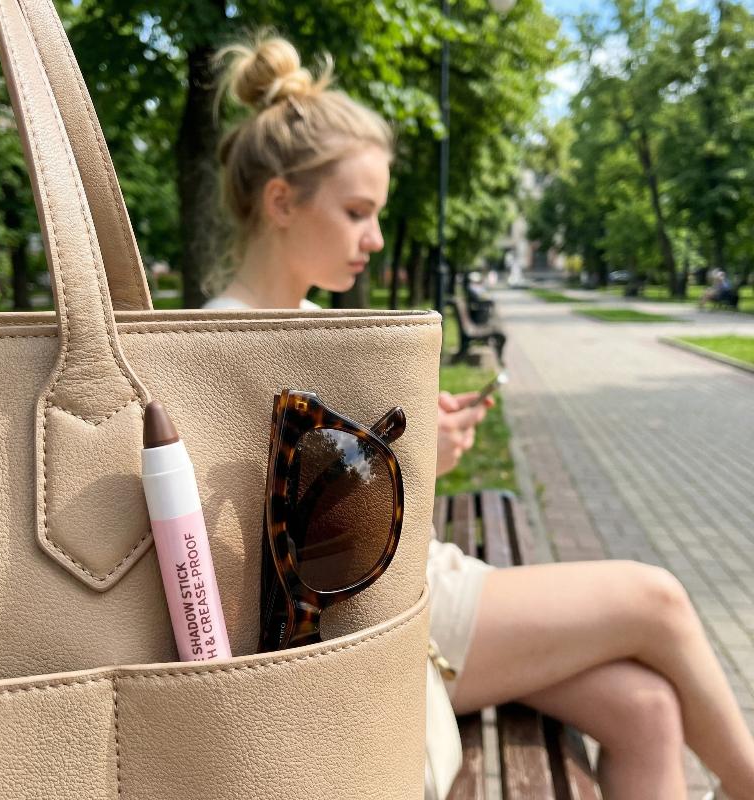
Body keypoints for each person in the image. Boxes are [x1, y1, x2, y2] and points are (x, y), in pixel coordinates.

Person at [205, 34, 754, 800]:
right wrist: (418, 467)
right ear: (282, 201)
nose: (376, 238)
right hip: (389, 615)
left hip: (417, 587)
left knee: (649, 709)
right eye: (358, 212)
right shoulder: (216, 347)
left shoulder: (312, 325)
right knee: (656, 597)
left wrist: (417, 454)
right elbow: (262, 561)